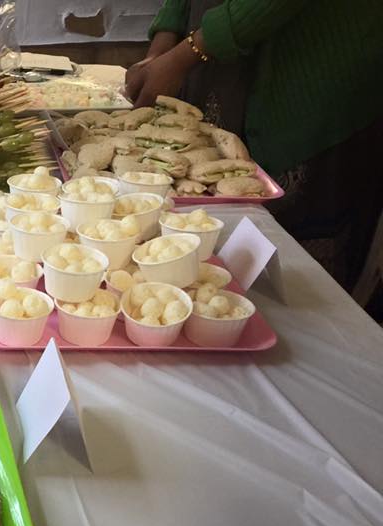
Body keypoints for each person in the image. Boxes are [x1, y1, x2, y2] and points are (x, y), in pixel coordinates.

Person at [124, 0, 383, 303]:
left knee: (297, 289)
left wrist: (185, 54)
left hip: (314, 84)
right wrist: (162, 46)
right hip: (225, 72)